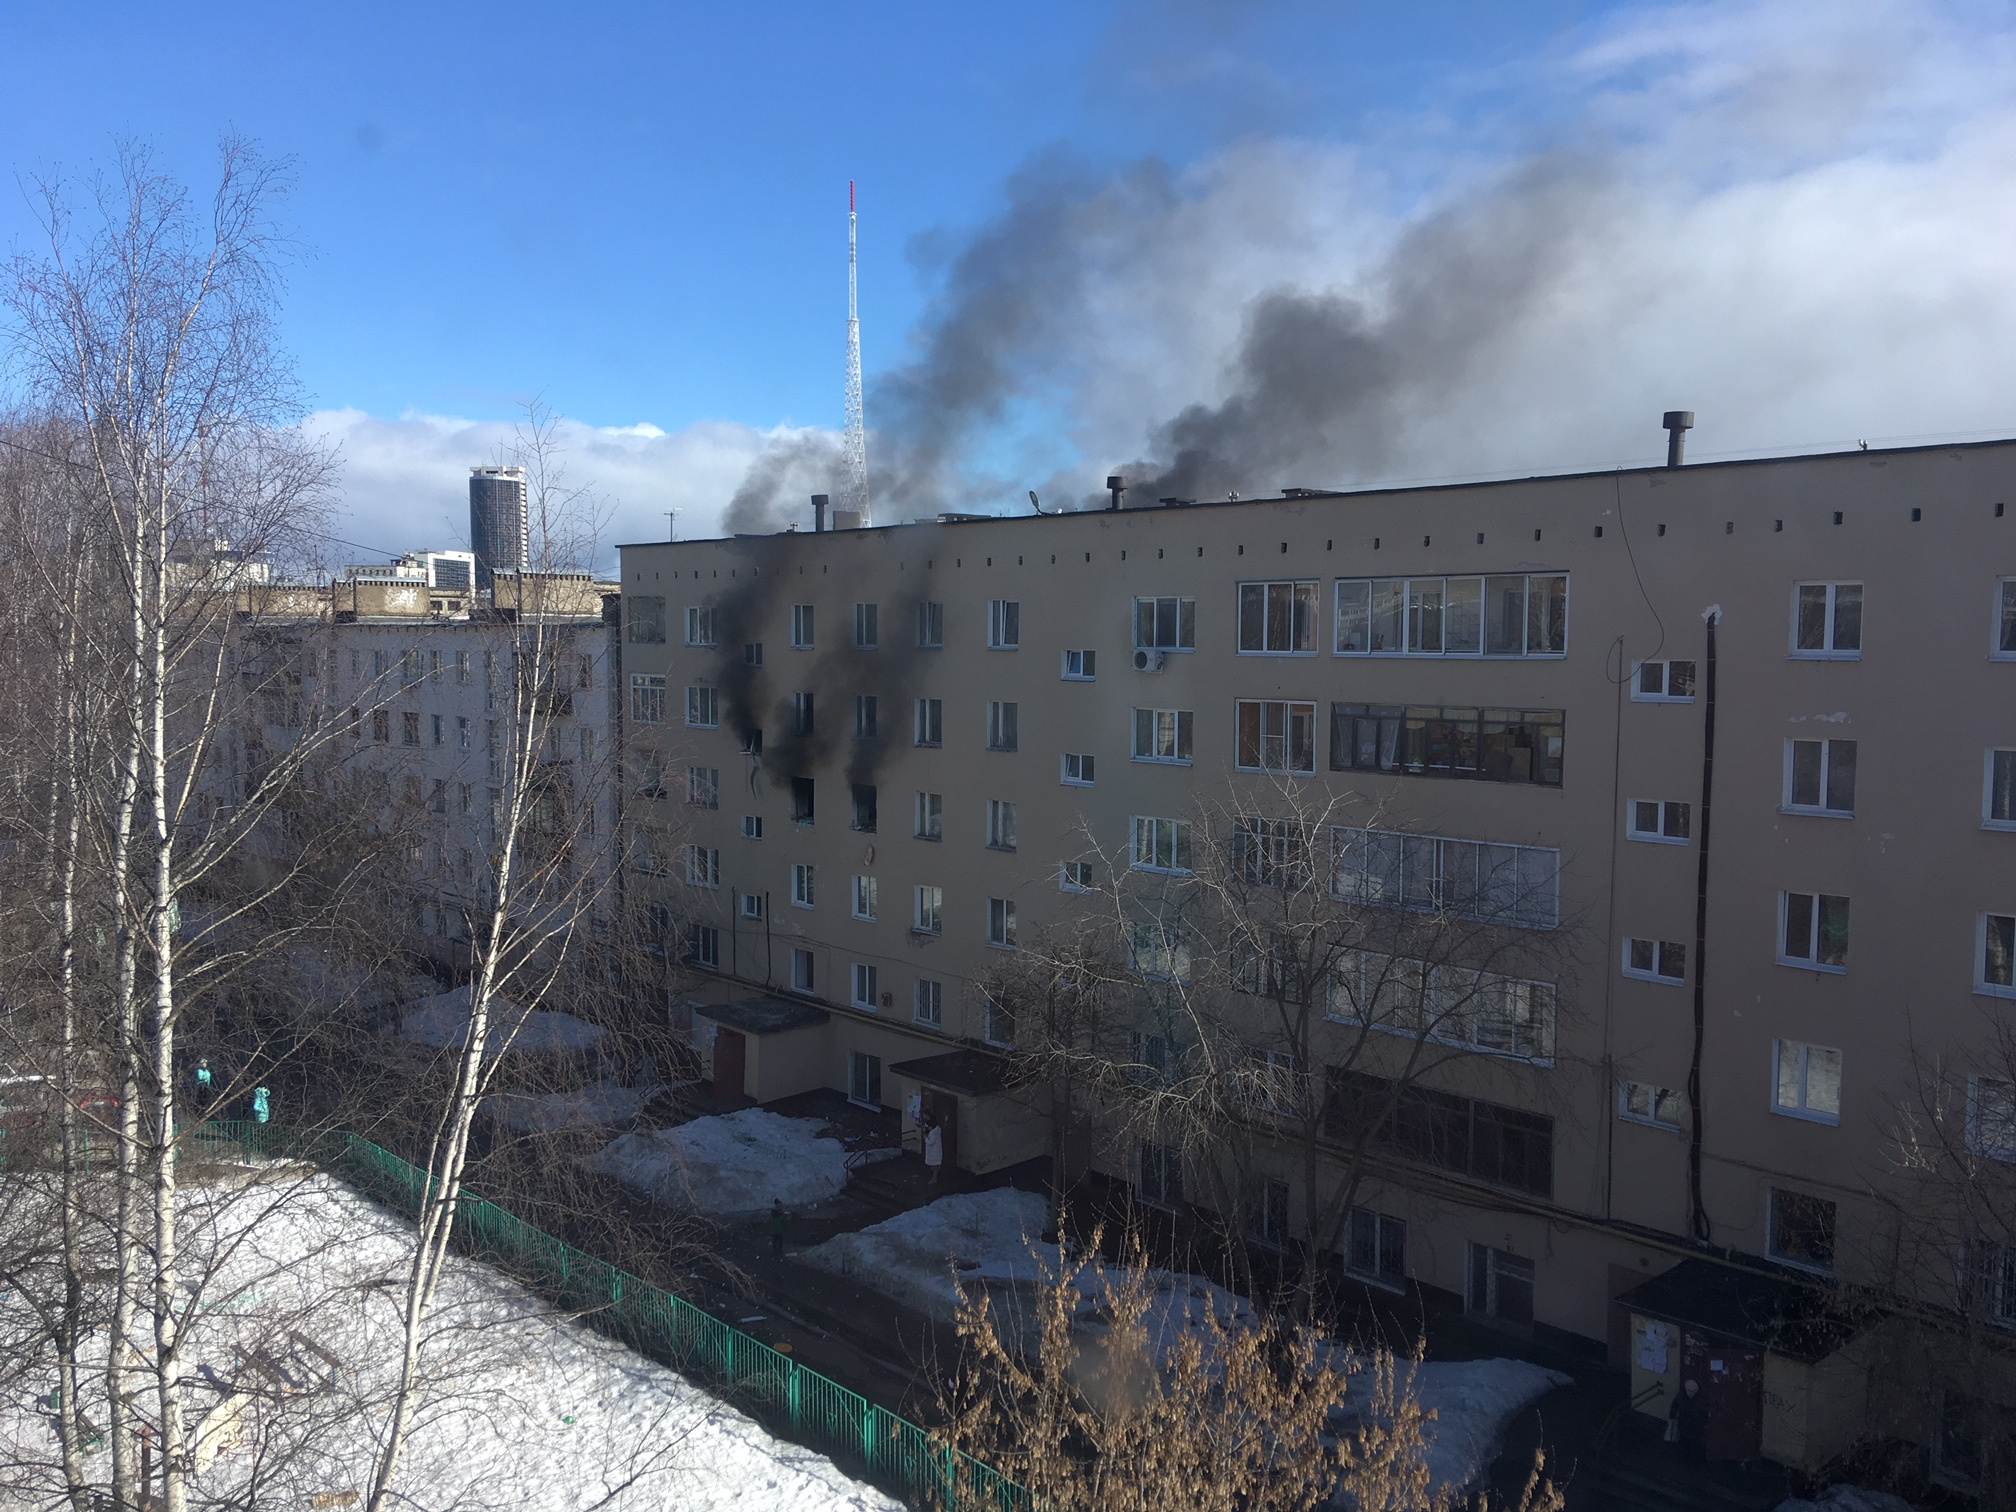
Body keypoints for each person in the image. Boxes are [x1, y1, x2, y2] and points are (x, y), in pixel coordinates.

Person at [1668, 1377, 1708, 1461]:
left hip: (1689, 1425)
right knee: (1689, 1444)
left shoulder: (1682, 1396)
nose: (1690, 1393)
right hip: (1691, 1425)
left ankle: (1688, 1460)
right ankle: (1689, 1460)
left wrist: (1673, 1415)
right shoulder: (1700, 1399)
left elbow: (1675, 1405)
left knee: (1690, 1444)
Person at [923, 1115, 944, 1185]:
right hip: (935, 1151)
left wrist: (926, 1138)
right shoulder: (936, 1131)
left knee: (935, 1165)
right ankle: (934, 1175)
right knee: (935, 1164)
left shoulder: (934, 1133)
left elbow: (931, 1142)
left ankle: (934, 1178)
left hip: (934, 1152)